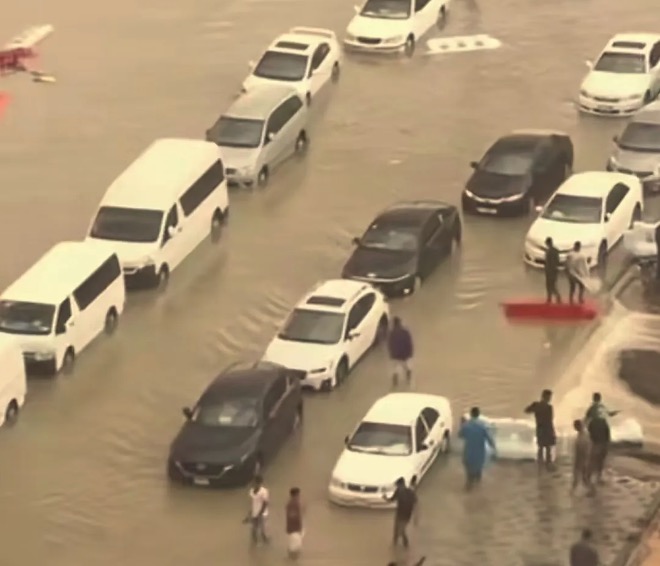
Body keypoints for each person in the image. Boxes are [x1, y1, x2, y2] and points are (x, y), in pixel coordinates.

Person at [459, 407, 496, 490]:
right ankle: (478, 490)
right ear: (479, 414)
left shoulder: (466, 425)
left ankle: (468, 489)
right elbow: (490, 440)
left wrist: (462, 425)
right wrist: (494, 450)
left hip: (468, 453)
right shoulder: (483, 426)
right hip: (479, 454)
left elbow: (460, 435)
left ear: (471, 414)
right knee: (478, 473)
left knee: (469, 476)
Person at [524, 389, 557, 469]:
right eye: (549, 397)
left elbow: (526, 410)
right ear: (545, 397)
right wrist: (553, 432)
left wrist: (534, 409)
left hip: (540, 429)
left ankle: (541, 464)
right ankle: (547, 464)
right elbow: (550, 420)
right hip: (547, 429)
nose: (550, 399)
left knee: (541, 447)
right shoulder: (549, 407)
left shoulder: (537, 405)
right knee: (547, 448)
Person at [382, 477, 417, 547]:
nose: (397, 487)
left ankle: (404, 545)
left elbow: (391, 500)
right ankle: (396, 545)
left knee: (400, 531)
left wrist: (385, 498)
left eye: (397, 485)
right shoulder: (407, 491)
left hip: (403, 515)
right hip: (404, 514)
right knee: (398, 530)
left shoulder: (403, 491)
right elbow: (415, 503)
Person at [387, 317, 413, 387]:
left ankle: (395, 384)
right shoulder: (405, 332)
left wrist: (392, 354)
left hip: (396, 355)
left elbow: (390, 345)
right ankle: (409, 381)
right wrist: (410, 353)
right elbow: (409, 343)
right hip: (405, 355)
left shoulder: (391, 333)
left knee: (395, 370)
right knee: (408, 368)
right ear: (400, 323)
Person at [587, 413, 611, 485]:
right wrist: (607, 443)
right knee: (600, 461)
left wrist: (592, 439)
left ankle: (589, 477)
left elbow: (590, 431)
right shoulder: (603, 421)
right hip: (603, 443)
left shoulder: (592, 422)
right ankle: (598, 477)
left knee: (593, 461)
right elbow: (607, 433)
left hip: (595, 443)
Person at [247, 475, 269, 544]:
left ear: (260, 483)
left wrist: (260, 514)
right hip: (254, 512)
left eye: (255, 482)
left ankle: (265, 542)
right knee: (253, 530)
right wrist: (250, 513)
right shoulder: (251, 491)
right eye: (253, 482)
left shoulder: (264, 491)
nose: (254, 484)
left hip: (262, 513)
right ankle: (254, 543)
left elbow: (265, 503)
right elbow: (252, 502)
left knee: (262, 530)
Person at [571, 420, 592, 493]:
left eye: (575, 427)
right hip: (580, 459)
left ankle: (591, 491)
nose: (575, 428)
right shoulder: (582, 434)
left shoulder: (583, 435)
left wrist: (586, 461)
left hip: (582, 459)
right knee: (581, 477)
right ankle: (573, 490)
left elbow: (586, 449)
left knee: (583, 477)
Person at [285, 487, 304, 558]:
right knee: (295, 549)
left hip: (293, 529)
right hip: (294, 529)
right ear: (295, 495)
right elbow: (294, 517)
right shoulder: (293, 504)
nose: (299, 496)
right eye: (298, 494)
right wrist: (299, 528)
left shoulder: (291, 503)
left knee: (294, 548)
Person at [544, 237, 562, 303]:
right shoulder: (555, 250)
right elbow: (557, 260)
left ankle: (556, 297)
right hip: (553, 270)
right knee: (550, 284)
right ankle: (550, 298)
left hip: (550, 270)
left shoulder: (549, 251)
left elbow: (548, 261)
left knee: (550, 285)